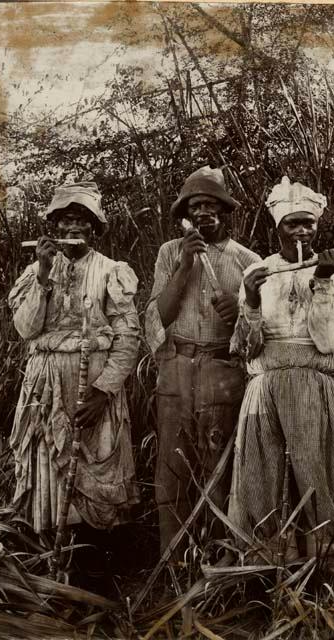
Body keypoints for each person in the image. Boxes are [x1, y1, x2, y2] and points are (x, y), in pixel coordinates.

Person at [228, 176, 334, 574]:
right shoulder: (258, 271)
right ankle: (267, 573)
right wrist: (254, 299)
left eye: (307, 223)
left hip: (317, 386)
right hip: (267, 389)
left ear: (317, 226)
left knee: (322, 474)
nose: (300, 231)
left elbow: (329, 341)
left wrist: (325, 280)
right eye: (291, 223)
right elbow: (246, 347)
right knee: (264, 476)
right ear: (276, 227)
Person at [8, 182, 140, 577]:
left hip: (94, 385)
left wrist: (104, 392)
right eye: (65, 219)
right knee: (48, 467)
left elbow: (129, 335)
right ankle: (53, 567)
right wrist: (45, 275)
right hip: (46, 384)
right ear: (52, 226)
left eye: (82, 219)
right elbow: (26, 329)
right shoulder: (36, 273)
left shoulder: (111, 271)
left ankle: (100, 570)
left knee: (98, 467)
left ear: (95, 228)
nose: (73, 226)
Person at [145, 166, 260, 563]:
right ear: (185, 214)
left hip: (220, 370)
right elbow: (159, 315)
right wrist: (185, 266)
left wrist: (239, 314)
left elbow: (258, 336)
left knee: (219, 466)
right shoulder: (168, 253)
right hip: (176, 367)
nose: (203, 213)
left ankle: (217, 565)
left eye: (212, 206)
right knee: (172, 466)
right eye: (196, 207)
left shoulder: (248, 261)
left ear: (224, 212)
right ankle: (171, 565)